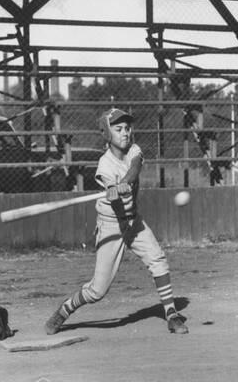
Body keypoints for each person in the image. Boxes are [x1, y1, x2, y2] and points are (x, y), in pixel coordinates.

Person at [45, 108, 188, 335]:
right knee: (97, 291)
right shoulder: (104, 165)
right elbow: (111, 190)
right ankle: (65, 310)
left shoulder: (134, 149)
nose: (125, 133)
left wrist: (126, 182)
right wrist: (113, 191)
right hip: (111, 226)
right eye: (118, 129)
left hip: (134, 221)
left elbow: (135, 166)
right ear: (106, 134)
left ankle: (171, 314)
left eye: (127, 128)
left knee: (158, 259)